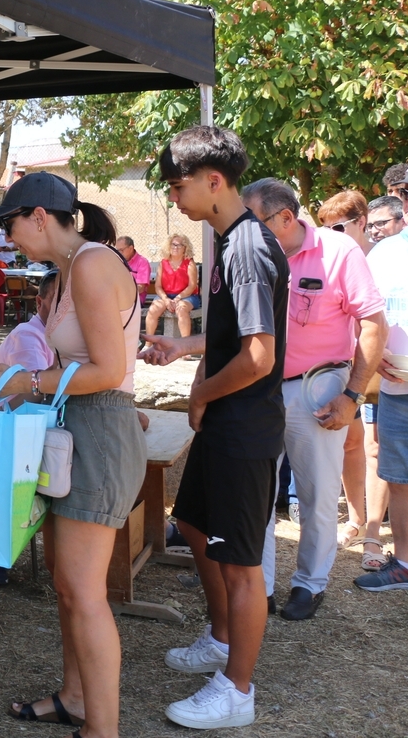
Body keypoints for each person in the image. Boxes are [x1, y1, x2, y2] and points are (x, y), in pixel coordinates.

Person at [0, 172, 145, 737]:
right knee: (68, 584)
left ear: (40, 217)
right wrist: (24, 378)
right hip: (76, 432)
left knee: (85, 592)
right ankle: (75, 698)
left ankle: (103, 730)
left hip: (97, 434)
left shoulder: (93, 264)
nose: (8, 237)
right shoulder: (72, 269)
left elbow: (110, 371)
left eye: (11, 224)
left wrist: (28, 382)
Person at [139, 126, 287, 729]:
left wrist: (199, 392)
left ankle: (238, 690)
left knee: (241, 562)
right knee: (194, 523)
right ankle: (223, 638)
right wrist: (185, 348)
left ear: (214, 181)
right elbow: (232, 337)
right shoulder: (227, 242)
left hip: (244, 426)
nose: (174, 197)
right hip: (226, 420)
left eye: (177, 186)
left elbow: (259, 356)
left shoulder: (247, 247)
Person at [240, 179, 386, 622]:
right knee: (258, 494)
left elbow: (374, 325)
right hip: (257, 389)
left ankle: (309, 584)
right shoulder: (250, 254)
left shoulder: (340, 253)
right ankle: (259, 587)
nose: (247, 230)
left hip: (317, 388)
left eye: (255, 221)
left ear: (286, 218)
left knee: (317, 492)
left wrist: (350, 396)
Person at [352, 155, 408, 614]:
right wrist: (372, 353)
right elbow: (366, 313)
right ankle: (405, 564)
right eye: (407, 193)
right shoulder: (385, 251)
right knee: (401, 478)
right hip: (399, 385)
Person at [0, 269, 59, 587]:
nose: (65, 306)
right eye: (57, 298)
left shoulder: (59, 337)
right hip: (7, 431)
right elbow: (31, 395)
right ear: (40, 302)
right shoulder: (29, 335)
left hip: (27, 428)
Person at [315, 190, 377, 555]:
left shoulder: (382, 257)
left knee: (376, 446)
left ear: (362, 222)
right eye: (325, 228)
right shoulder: (332, 258)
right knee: (353, 445)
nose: (332, 234)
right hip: (348, 367)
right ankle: (356, 519)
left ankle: (376, 527)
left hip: (387, 367)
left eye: (338, 227)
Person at [144, 234, 200, 337]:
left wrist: (178, 298)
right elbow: (158, 286)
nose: (176, 247)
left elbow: (192, 286)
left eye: (180, 245)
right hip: (166, 295)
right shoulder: (163, 263)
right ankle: (148, 344)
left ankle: (185, 347)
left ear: (185, 248)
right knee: (153, 310)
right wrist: (165, 299)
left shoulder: (189, 263)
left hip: (187, 296)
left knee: (181, 309)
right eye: (173, 244)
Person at [115, 235, 152, 305]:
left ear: (131, 248)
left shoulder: (142, 262)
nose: (119, 253)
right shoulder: (117, 261)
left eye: (121, 250)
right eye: (117, 250)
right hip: (118, 298)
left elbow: (141, 288)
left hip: (135, 300)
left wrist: (123, 293)